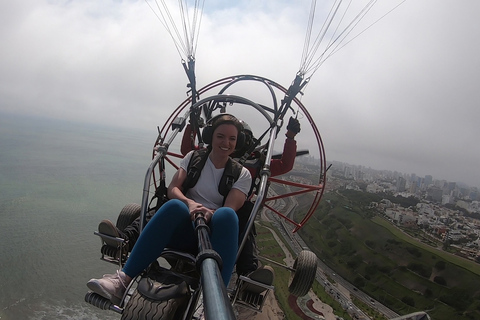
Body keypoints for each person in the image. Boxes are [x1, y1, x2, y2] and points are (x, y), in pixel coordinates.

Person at [87, 115, 252, 304]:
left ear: (238, 142)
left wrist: (209, 213)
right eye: (221, 136)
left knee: (227, 215)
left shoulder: (242, 174)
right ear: (210, 136)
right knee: (174, 204)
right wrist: (189, 203)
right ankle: (122, 280)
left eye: (232, 139)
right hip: (185, 229)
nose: (226, 143)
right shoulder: (193, 158)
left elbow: (231, 206)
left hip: (212, 238)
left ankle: (216, 304)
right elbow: (173, 188)